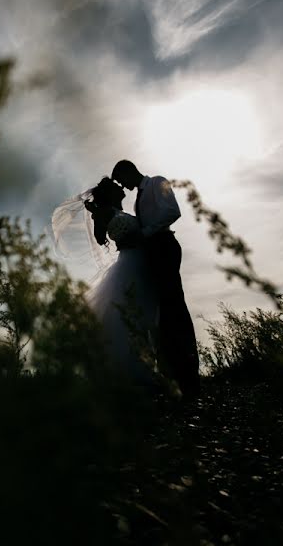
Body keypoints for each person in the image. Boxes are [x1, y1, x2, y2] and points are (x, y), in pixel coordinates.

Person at [111, 159, 200, 400]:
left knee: (174, 306)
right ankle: (171, 370)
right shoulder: (139, 196)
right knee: (162, 310)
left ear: (129, 171)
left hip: (164, 246)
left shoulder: (157, 183)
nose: (123, 186)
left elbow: (173, 211)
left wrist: (144, 233)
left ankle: (188, 372)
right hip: (152, 250)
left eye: (122, 180)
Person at [81, 177, 158, 385]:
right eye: (116, 186)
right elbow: (99, 238)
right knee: (130, 316)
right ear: (110, 193)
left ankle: (147, 369)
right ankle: (129, 375)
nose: (120, 186)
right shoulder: (105, 212)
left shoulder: (123, 210)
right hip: (129, 264)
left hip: (142, 262)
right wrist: (98, 216)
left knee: (144, 316)